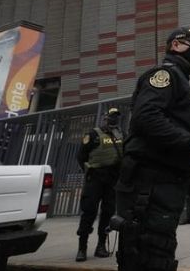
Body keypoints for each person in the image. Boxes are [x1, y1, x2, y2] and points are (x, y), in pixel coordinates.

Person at [115, 27, 190, 271]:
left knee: (158, 253)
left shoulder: (180, 79)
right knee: (148, 256)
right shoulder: (165, 74)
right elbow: (147, 117)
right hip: (150, 187)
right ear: (176, 45)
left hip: (162, 185)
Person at [75, 106, 124, 262]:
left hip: (113, 179)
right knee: (89, 211)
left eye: (116, 117)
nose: (114, 119)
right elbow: (81, 156)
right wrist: (88, 172)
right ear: (105, 117)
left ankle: (101, 246)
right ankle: (82, 248)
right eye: (111, 116)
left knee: (108, 213)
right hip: (96, 178)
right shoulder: (93, 134)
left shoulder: (121, 135)